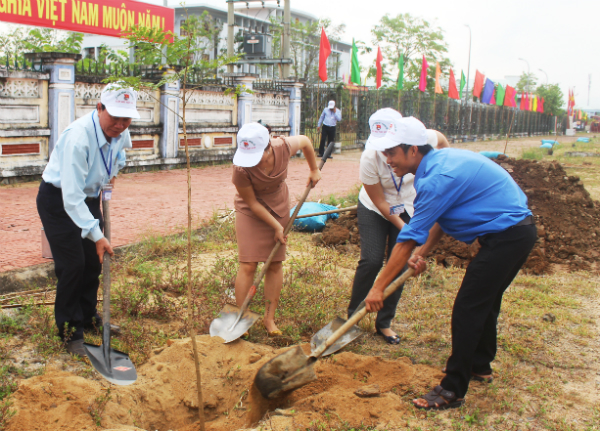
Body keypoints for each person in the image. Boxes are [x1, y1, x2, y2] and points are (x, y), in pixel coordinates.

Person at [364, 116, 536, 410]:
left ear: (413, 150)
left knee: (469, 307)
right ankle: (480, 365)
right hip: (514, 233)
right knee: (485, 301)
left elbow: (405, 241)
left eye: (391, 152)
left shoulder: (438, 177)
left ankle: (452, 389)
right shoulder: (437, 165)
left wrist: (377, 288)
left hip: (509, 235)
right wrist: (424, 252)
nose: (386, 158)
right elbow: (440, 218)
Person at [37, 83, 139, 357]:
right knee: (72, 265)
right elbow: (71, 198)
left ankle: (86, 315)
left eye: (126, 118)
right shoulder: (78, 137)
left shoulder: (121, 131)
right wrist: (97, 234)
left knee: (93, 262)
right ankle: (70, 332)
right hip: (58, 200)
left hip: (91, 197)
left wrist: (111, 177)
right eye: (114, 116)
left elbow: (120, 155)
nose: (119, 124)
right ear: (99, 108)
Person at [347, 109, 450, 345]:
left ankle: (384, 322)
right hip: (376, 207)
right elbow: (381, 201)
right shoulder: (369, 158)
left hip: (409, 205)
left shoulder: (424, 139)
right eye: (381, 147)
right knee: (371, 260)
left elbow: (442, 142)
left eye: (390, 148)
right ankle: (351, 318)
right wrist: (403, 227)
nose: (385, 154)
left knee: (400, 263)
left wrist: (446, 163)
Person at [232, 123, 321, 336]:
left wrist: (314, 168)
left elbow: (307, 142)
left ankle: (269, 319)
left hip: (279, 204)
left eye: (257, 155)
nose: (253, 161)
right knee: (248, 264)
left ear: (268, 147)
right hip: (250, 211)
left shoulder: (282, 146)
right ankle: (241, 317)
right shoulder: (240, 169)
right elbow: (253, 204)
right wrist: (276, 226)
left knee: (274, 264)